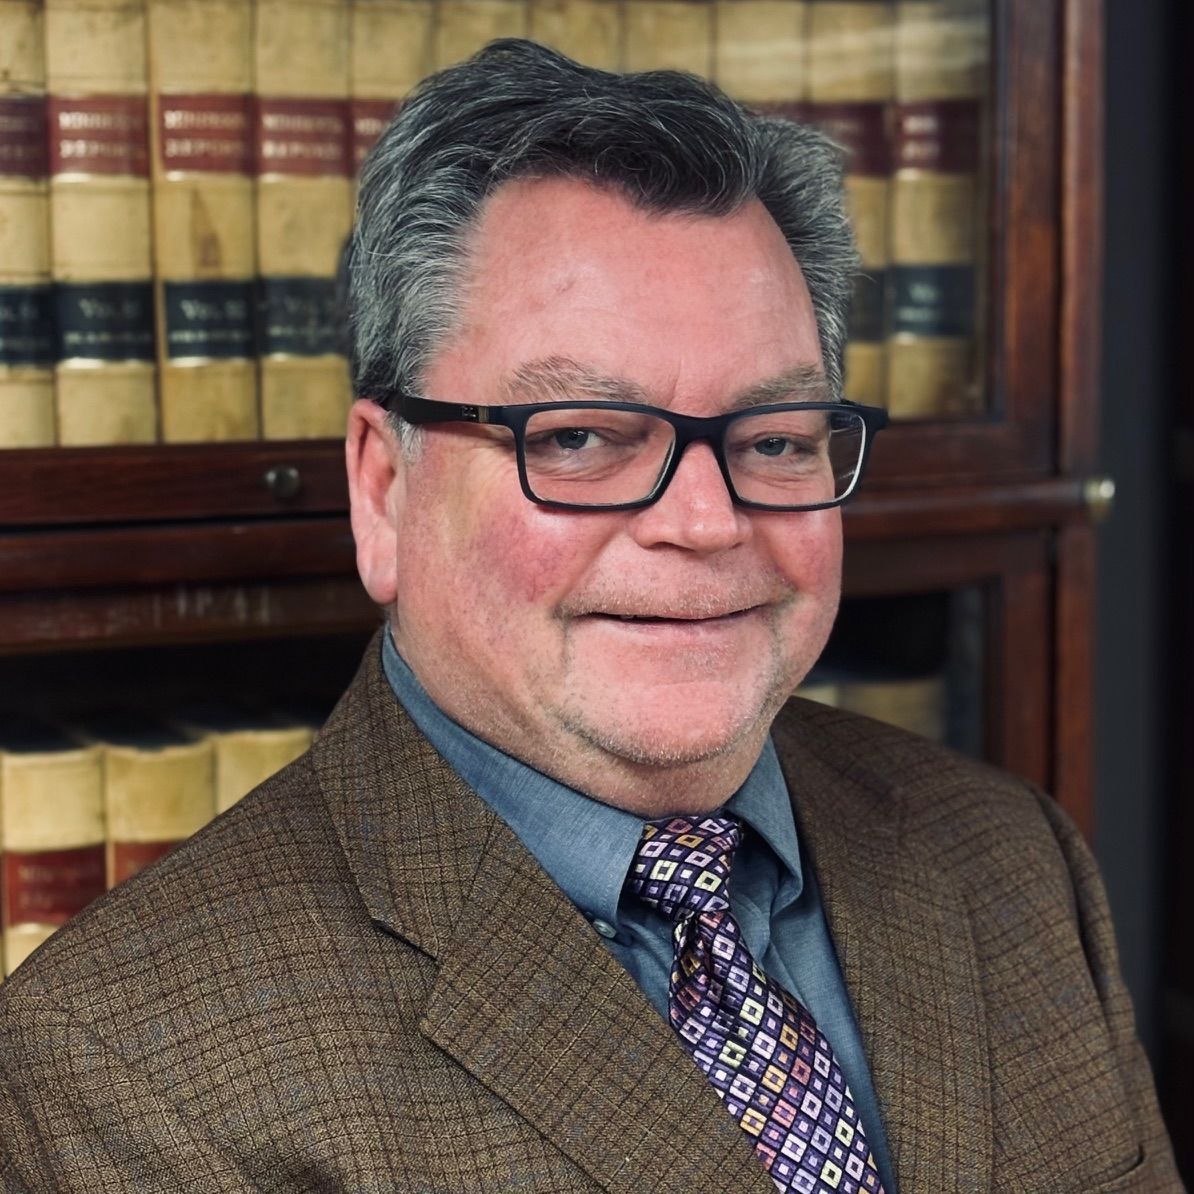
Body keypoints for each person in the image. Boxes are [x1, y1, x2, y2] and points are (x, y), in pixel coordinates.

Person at [0, 39, 1180, 1194]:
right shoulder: (131, 1070)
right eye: (578, 438)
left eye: (772, 441)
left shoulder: (1011, 861)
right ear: (384, 488)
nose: (708, 523)